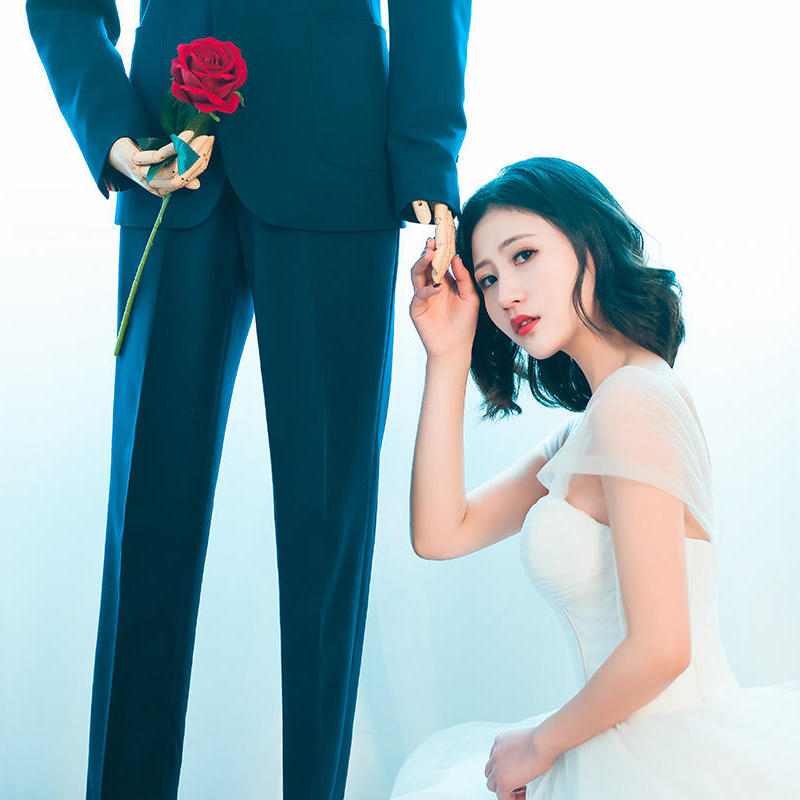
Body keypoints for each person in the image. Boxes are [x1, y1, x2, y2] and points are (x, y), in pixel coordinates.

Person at [24, 0, 471, 798]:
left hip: (342, 160)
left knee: (327, 523)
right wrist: (111, 130)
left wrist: (428, 158)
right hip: (167, 156)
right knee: (146, 519)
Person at [393, 156, 800, 800]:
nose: (505, 295)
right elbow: (441, 533)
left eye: (524, 255)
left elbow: (662, 647)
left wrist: (539, 745)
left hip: (659, 760)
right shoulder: (599, 418)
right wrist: (447, 354)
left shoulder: (632, 403)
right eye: (488, 277)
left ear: (590, 240)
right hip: (619, 745)